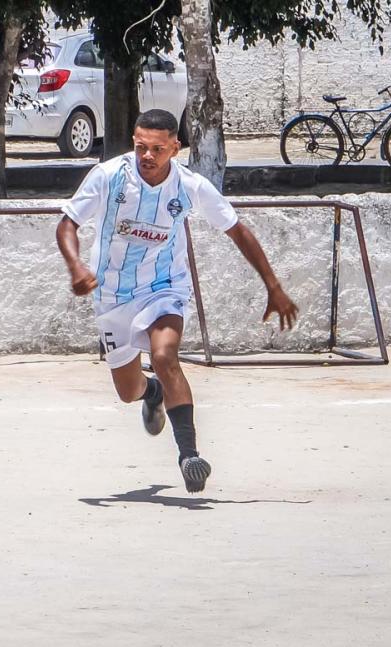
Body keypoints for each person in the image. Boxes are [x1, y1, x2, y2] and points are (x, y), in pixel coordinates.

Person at [56, 109, 298, 493]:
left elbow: (237, 230)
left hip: (165, 287)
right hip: (111, 295)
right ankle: (152, 392)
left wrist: (273, 286)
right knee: (126, 391)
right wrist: (75, 266)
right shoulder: (108, 177)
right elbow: (67, 223)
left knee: (166, 356)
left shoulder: (190, 186)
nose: (147, 157)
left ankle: (189, 456)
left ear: (175, 148)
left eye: (157, 149)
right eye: (140, 148)